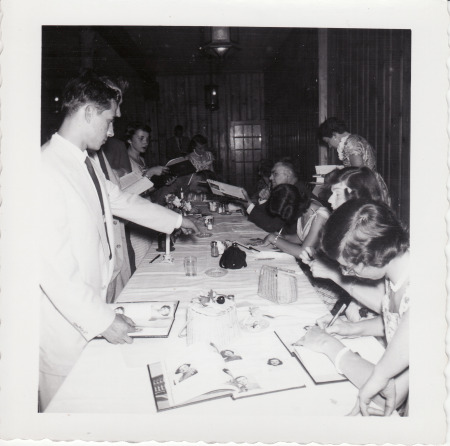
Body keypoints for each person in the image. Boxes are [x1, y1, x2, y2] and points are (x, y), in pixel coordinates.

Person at [39, 70, 198, 411]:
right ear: (88, 113)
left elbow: (118, 199)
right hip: (65, 320)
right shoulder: (44, 169)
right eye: (109, 120)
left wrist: (177, 220)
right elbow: (52, 267)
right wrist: (102, 319)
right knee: (67, 409)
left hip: (95, 299)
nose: (112, 131)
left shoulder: (87, 162)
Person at [296, 199, 409, 416]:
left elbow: (388, 397)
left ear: (369, 259)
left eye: (348, 268)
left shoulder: (422, 295)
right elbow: (398, 322)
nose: (347, 274)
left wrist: (330, 346)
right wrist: (353, 329)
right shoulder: (398, 268)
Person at [301, 166, 389, 314]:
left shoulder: (374, 235)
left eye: (337, 194)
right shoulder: (351, 228)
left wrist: (332, 273)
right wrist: (318, 260)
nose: (329, 200)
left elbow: (384, 304)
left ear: (356, 197)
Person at [125, 122, 170, 266]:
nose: (145, 142)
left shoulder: (141, 160)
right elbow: (127, 194)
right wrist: (150, 172)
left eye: (147, 139)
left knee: (150, 254)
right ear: (129, 140)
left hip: (145, 210)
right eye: (141, 138)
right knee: (141, 258)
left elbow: (144, 190)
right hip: (135, 216)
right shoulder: (125, 161)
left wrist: (162, 183)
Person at [317, 117, 390, 204]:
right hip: (368, 185)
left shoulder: (351, 143)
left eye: (328, 141)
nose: (329, 146)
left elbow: (358, 173)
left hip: (366, 188)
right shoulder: (354, 139)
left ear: (335, 135)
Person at [261, 184, 330, 259]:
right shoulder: (303, 208)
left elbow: (303, 253)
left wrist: (274, 239)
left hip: (325, 264)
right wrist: (284, 237)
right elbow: (304, 236)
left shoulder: (320, 216)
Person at [243, 159, 310, 233]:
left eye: (275, 174)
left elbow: (273, 226)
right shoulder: (287, 190)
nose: (270, 178)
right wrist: (264, 200)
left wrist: (248, 205)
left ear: (288, 174)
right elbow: (269, 218)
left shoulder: (297, 194)